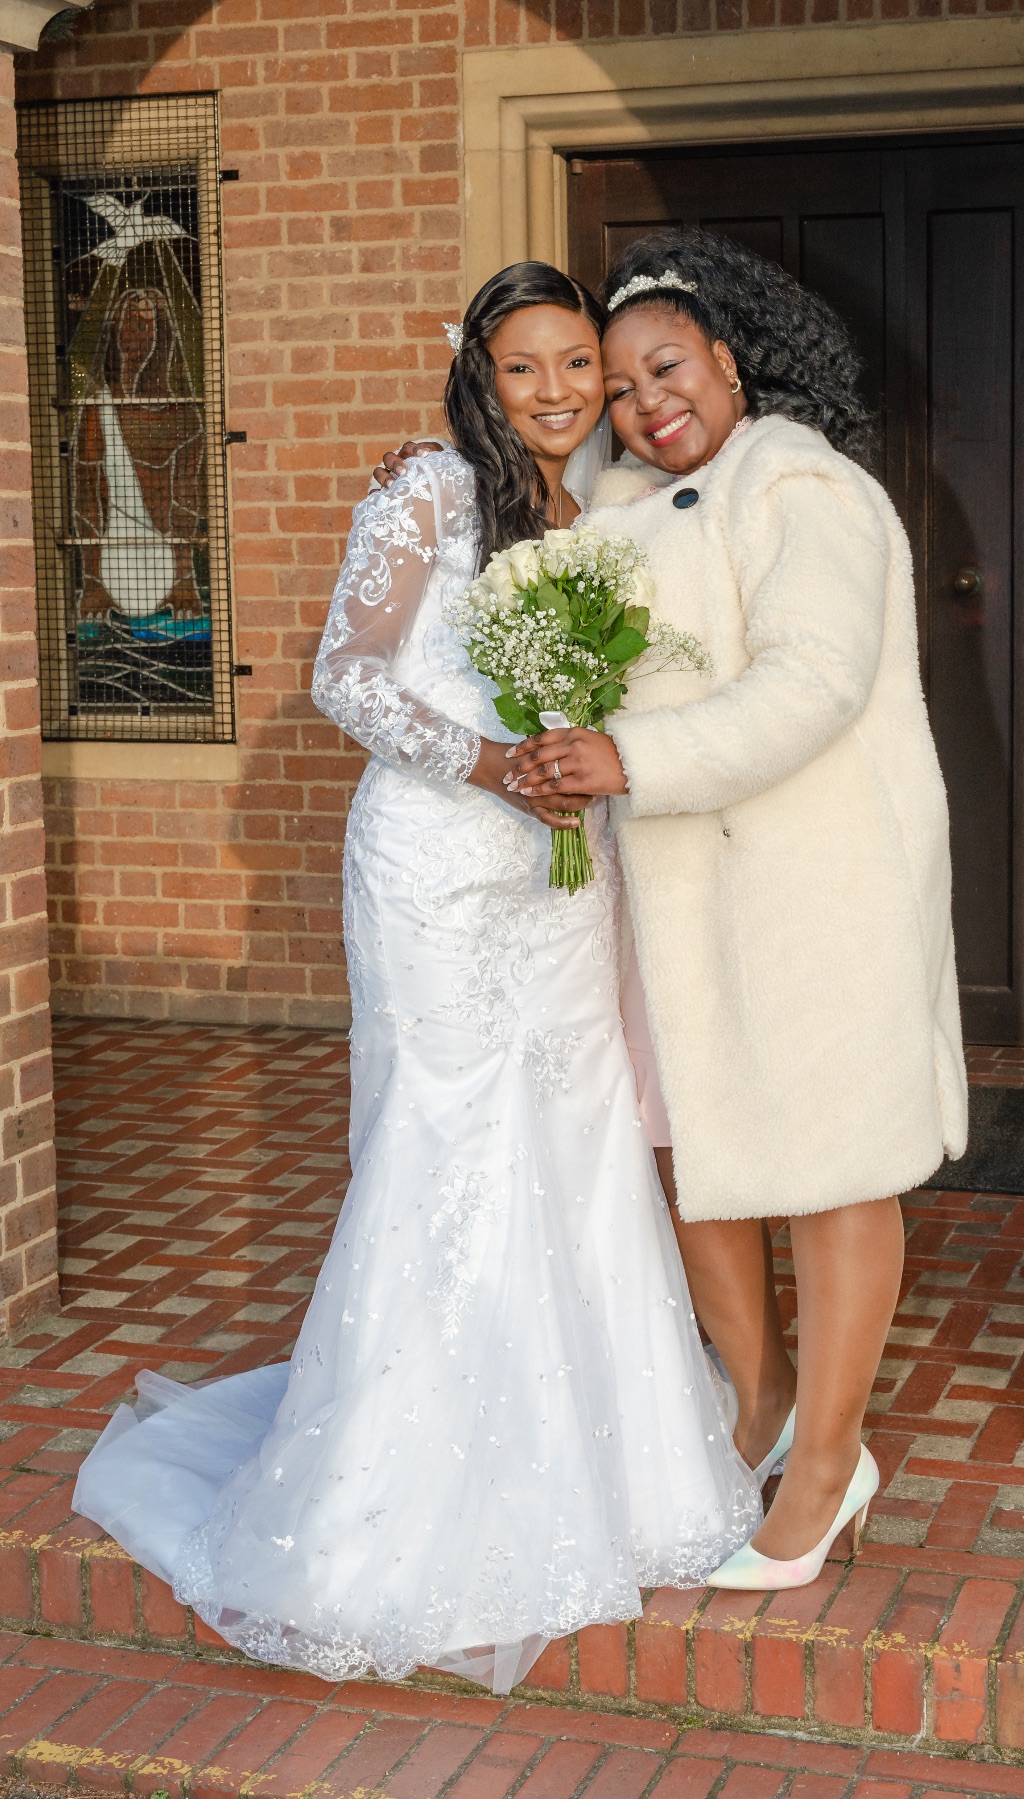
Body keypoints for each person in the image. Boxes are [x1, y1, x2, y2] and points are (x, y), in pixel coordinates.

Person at [71, 261, 758, 1693]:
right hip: (434, 873)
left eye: (578, 363)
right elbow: (348, 673)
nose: (559, 392)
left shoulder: (613, 503)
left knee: (575, 1139)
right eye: (525, 367)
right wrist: (489, 763)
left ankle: (603, 1469)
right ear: (479, 376)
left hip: (561, 881)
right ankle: (394, 1495)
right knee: (444, 1144)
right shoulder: (430, 491)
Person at [506, 230, 968, 1590]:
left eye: (668, 368)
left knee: (832, 1168)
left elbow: (813, 682)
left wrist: (629, 759)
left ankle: (827, 1466)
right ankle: (761, 1415)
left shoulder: (803, 487)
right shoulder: (618, 512)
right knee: (697, 1156)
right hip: (681, 897)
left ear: (728, 356)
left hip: (819, 888)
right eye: (621, 389)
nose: (648, 403)